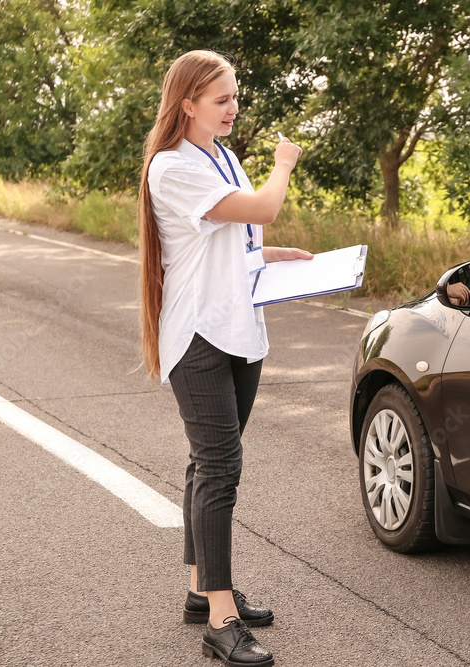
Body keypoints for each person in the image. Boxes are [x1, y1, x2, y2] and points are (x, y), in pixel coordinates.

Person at [138, 49, 311, 667]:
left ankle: (198, 591)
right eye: (221, 99)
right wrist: (284, 166)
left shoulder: (223, 156)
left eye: (236, 96)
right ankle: (221, 617)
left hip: (240, 328)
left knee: (206, 464)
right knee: (220, 469)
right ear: (187, 104)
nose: (234, 107)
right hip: (201, 334)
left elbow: (233, 238)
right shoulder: (172, 167)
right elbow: (262, 206)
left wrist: (272, 254)